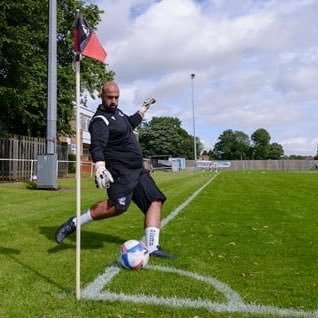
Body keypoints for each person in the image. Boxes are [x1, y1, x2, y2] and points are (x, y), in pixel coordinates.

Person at [55, 80, 175, 259]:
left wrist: (143, 109)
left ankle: (152, 247)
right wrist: (100, 166)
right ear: (101, 96)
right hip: (121, 173)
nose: (113, 100)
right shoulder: (99, 120)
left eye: (116, 97)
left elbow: (129, 124)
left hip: (138, 170)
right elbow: (97, 146)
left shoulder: (117, 113)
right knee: (117, 207)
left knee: (155, 200)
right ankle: (74, 223)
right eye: (109, 97)